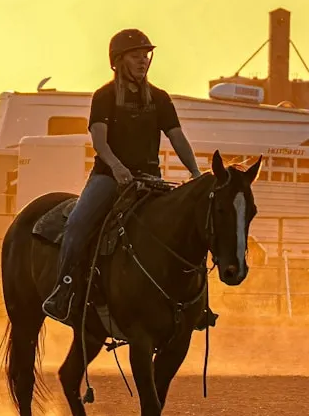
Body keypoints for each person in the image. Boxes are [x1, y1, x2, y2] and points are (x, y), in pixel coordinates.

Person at [43, 28, 202, 324]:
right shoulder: (104, 97)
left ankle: (195, 302)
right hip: (109, 177)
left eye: (146, 56)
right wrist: (117, 167)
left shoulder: (160, 99)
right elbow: (99, 141)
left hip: (150, 179)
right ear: (118, 61)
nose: (143, 61)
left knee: (187, 228)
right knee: (78, 223)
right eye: (135, 56)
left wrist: (196, 173)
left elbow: (177, 138)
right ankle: (64, 290)